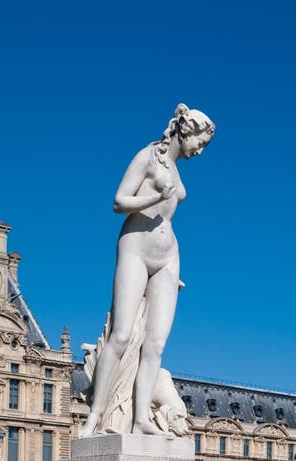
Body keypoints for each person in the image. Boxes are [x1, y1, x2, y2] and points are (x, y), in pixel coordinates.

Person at [80, 103, 215, 437]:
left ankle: (140, 419)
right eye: (200, 142)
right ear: (186, 130)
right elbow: (119, 202)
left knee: (154, 345)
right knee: (121, 336)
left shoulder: (176, 168)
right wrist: (152, 197)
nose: (200, 151)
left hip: (169, 257)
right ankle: (95, 417)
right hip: (136, 248)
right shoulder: (147, 156)